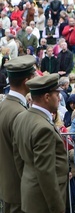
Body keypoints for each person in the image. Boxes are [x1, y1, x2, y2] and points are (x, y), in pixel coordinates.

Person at [12, 73, 69, 213]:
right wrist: (57, 207)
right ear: (47, 97)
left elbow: (18, 158)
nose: (59, 98)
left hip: (31, 193)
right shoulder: (43, 127)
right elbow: (46, 173)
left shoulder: (21, 117)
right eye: (57, 94)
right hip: (44, 202)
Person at [0, 56, 36, 213]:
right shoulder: (19, 113)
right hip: (19, 189)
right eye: (33, 76)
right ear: (26, 81)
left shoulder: (5, 106)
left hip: (7, 185)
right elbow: (21, 157)